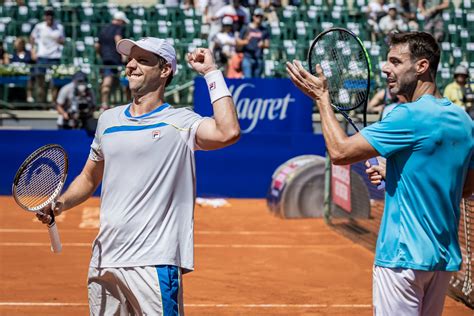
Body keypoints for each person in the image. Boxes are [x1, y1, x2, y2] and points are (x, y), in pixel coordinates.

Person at [37, 37, 240, 315]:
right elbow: (88, 177)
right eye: (130, 60)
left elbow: (228, 132)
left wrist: (212, 73)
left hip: (154, 261)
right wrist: (60, 204)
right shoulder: (108, 121)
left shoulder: (182, 121)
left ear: (165, 69)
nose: (131, 66)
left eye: (142, 60)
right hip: (104, 260)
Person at [286, 31, 473, 315]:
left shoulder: (406, 115)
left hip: (401, 258)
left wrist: (322, 98)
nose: (386, 68)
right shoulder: (463, 120)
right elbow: (465, 186)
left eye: (396, 62)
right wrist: (402, 175)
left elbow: (340, 152)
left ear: (422, 66)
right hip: (441, 261)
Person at [30, 7, 65, 103]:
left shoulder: (59, 27)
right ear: (44, 16)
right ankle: (41, 102)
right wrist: (32, 51)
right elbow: (32, 38)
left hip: (54, 57)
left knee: (54, 82)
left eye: (51, 14)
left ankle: (53, 103)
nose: (49, 17)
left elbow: (63, 41)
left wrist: (60, 41)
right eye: (47, 15)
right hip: (42, 56)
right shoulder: (39, 27)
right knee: (40, 81)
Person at [96, 11, 129, 110]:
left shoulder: (104, 29)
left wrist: (101, 55)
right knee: (125, 82)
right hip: (116, 60)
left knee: (107, 83)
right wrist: (123, 56)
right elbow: (118, 39)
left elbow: (97, 45)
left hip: (106, 60)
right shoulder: (118, 28)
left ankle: (104, 104)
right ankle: (128, 104)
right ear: (120, 21)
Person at [237, 8, 269, 78]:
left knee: (257, 82)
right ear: (253, 16)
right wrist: (245, 42)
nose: (259, 18)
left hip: (259, 59)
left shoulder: (264, 30)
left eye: (261, 16)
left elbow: (267, 44)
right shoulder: (246, 28)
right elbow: (237, 42)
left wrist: (263, 44)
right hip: (247, 57)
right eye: (257, 16)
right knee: (248, 80)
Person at [10, 37, 34, 103]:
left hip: (27, 73)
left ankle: (29, 96)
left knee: (29, 77)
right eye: (17, 43)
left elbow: (33, 59)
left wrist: (32, 49)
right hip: (14, 73)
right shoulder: (13, 54)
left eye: (19, 43)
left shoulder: (28, 53)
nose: (18, 44)